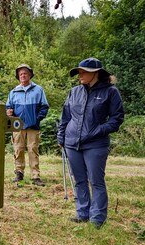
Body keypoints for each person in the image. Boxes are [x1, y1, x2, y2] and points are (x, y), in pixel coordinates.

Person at [57, 58, 124, 229]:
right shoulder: (74, 92)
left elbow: (117, 118)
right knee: (79, 180)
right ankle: (82, 214)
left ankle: (97, 218)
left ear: (96, 73)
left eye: (83, 71)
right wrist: (61, 136)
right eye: (79, 72)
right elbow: (65, 116)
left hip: (96, 144)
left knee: (96, 181)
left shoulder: (110, 92)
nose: (80, 75)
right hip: (72, 143)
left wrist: (97, 131)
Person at [6, 63, 49, 186]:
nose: (23, 75)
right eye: (20, 74)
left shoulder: (38, 90)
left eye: (25, 73)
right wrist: (8, 111)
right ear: (18, 76)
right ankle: (19, 173)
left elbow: (44, 107)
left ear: (30, 75)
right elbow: (8, 107)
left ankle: (35, 176)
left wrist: (37, 119)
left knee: (33, 150)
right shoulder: (13, 92)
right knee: (18, 149)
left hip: (33, 126)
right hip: (17, 126)